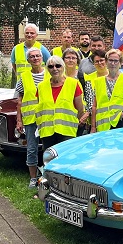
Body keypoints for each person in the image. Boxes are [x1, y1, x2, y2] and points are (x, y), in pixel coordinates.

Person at [36, 56, 87, 151]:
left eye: (58, 66)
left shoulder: (73, 84)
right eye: (51, 67)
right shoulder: (41, 86)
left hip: (67, 131)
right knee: (49, 160)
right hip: (47, 132)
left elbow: (80, 110)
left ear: (63, 67)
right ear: (48, 69)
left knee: (67, 160)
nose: (54, 69)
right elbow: (40, 108)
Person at [15, 48, 45, 188]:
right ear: (28, 60)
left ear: (42, 57)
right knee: (31, 148)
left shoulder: (49, 74)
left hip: (47, 118)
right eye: (32, 57)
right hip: (30, 119)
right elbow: (19, 100)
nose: (35, 58)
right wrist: (19, 120)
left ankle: (47, 176)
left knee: (48, 148)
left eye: (37, 56)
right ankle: (33, 178)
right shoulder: (24, 76)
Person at [91, 49, 123, 131]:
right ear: (106, 62)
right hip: (103, 125)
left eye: (116, 61)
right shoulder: (98, 81)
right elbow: (94, 106)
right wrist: (93, 127)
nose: (113, 63)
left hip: (120, 123)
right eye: (110, 60)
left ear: (120, 63)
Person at [62, 47, 88, 136]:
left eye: (73, 58)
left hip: (79, 118)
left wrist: (85, 115)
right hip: (62, 118)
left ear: (77, 61)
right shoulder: (58, 76)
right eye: (68, 57)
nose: (71, 60)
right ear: (63, 60)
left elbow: (89, 98)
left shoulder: (82, 77)